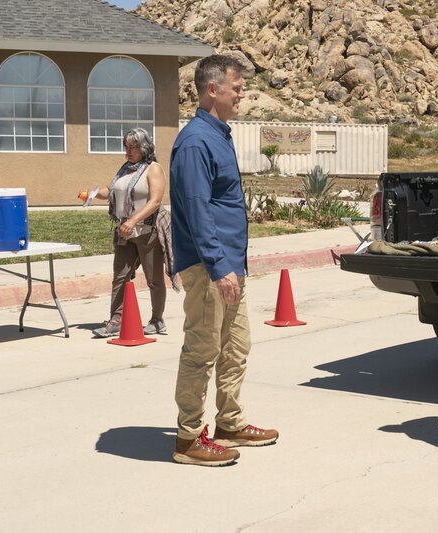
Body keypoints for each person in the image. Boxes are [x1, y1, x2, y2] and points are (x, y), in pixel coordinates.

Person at [170, 55, 278, 467]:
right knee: (202, 350)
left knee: (235, 347)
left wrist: (230, 266)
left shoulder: (218, 135)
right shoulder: (196, 141)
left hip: (230, 265)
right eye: (237, 88)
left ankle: (230, 423)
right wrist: (218, 267)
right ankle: (188, 438)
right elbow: (198, 209)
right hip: (210, 267)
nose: (242, 95)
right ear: (213, 90)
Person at [86, 128, 173, 338]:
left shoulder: (153, 169)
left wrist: (133, 220)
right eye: (126, 147)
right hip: (125, 233)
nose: (128, 151)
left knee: (154, 279)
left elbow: (155, 201)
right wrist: (93, 194)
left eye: (132, 147)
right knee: (120, 277)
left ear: (144, 147)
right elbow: (112, 191)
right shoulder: (125, 169)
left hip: (148, 231)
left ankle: (157, 320)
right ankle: (116, 320)